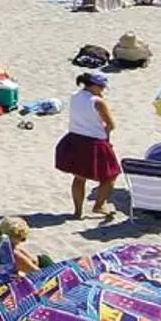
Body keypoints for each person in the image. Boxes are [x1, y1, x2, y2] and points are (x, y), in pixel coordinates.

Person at [55, 70, 121, 219]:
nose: (103, 90)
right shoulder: (98, 101)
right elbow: (111, 124)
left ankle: (77, 211)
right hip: (94, 142)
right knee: (111, 175)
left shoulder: (74, 96)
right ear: (94, 86)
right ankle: (99, 205)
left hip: (74, 139)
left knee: (79, 177)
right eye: (102, 87)